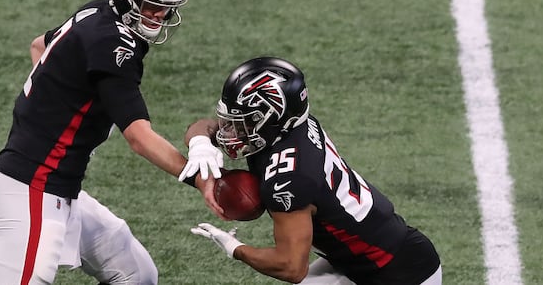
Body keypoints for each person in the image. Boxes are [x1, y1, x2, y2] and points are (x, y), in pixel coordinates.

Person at [0, 0, 222, 284]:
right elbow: (139, 138)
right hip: (32, 189)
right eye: (150, 4)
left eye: (166, 8)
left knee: (137, 275)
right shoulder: (114, 42)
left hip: (61, 187)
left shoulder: (96, 13)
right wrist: (197, 178)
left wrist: (59, 98)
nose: (158, 15)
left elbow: (40, 46)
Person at [189, 57, 443, 285]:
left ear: (270, 117)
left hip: (400, 274)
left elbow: (291, 267)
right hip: (360, 259)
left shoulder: (289, 177)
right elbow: (203, 127)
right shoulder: (289, 128)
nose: (230, 131)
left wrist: (236, 248)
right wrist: (200, 143)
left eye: (243, 121)